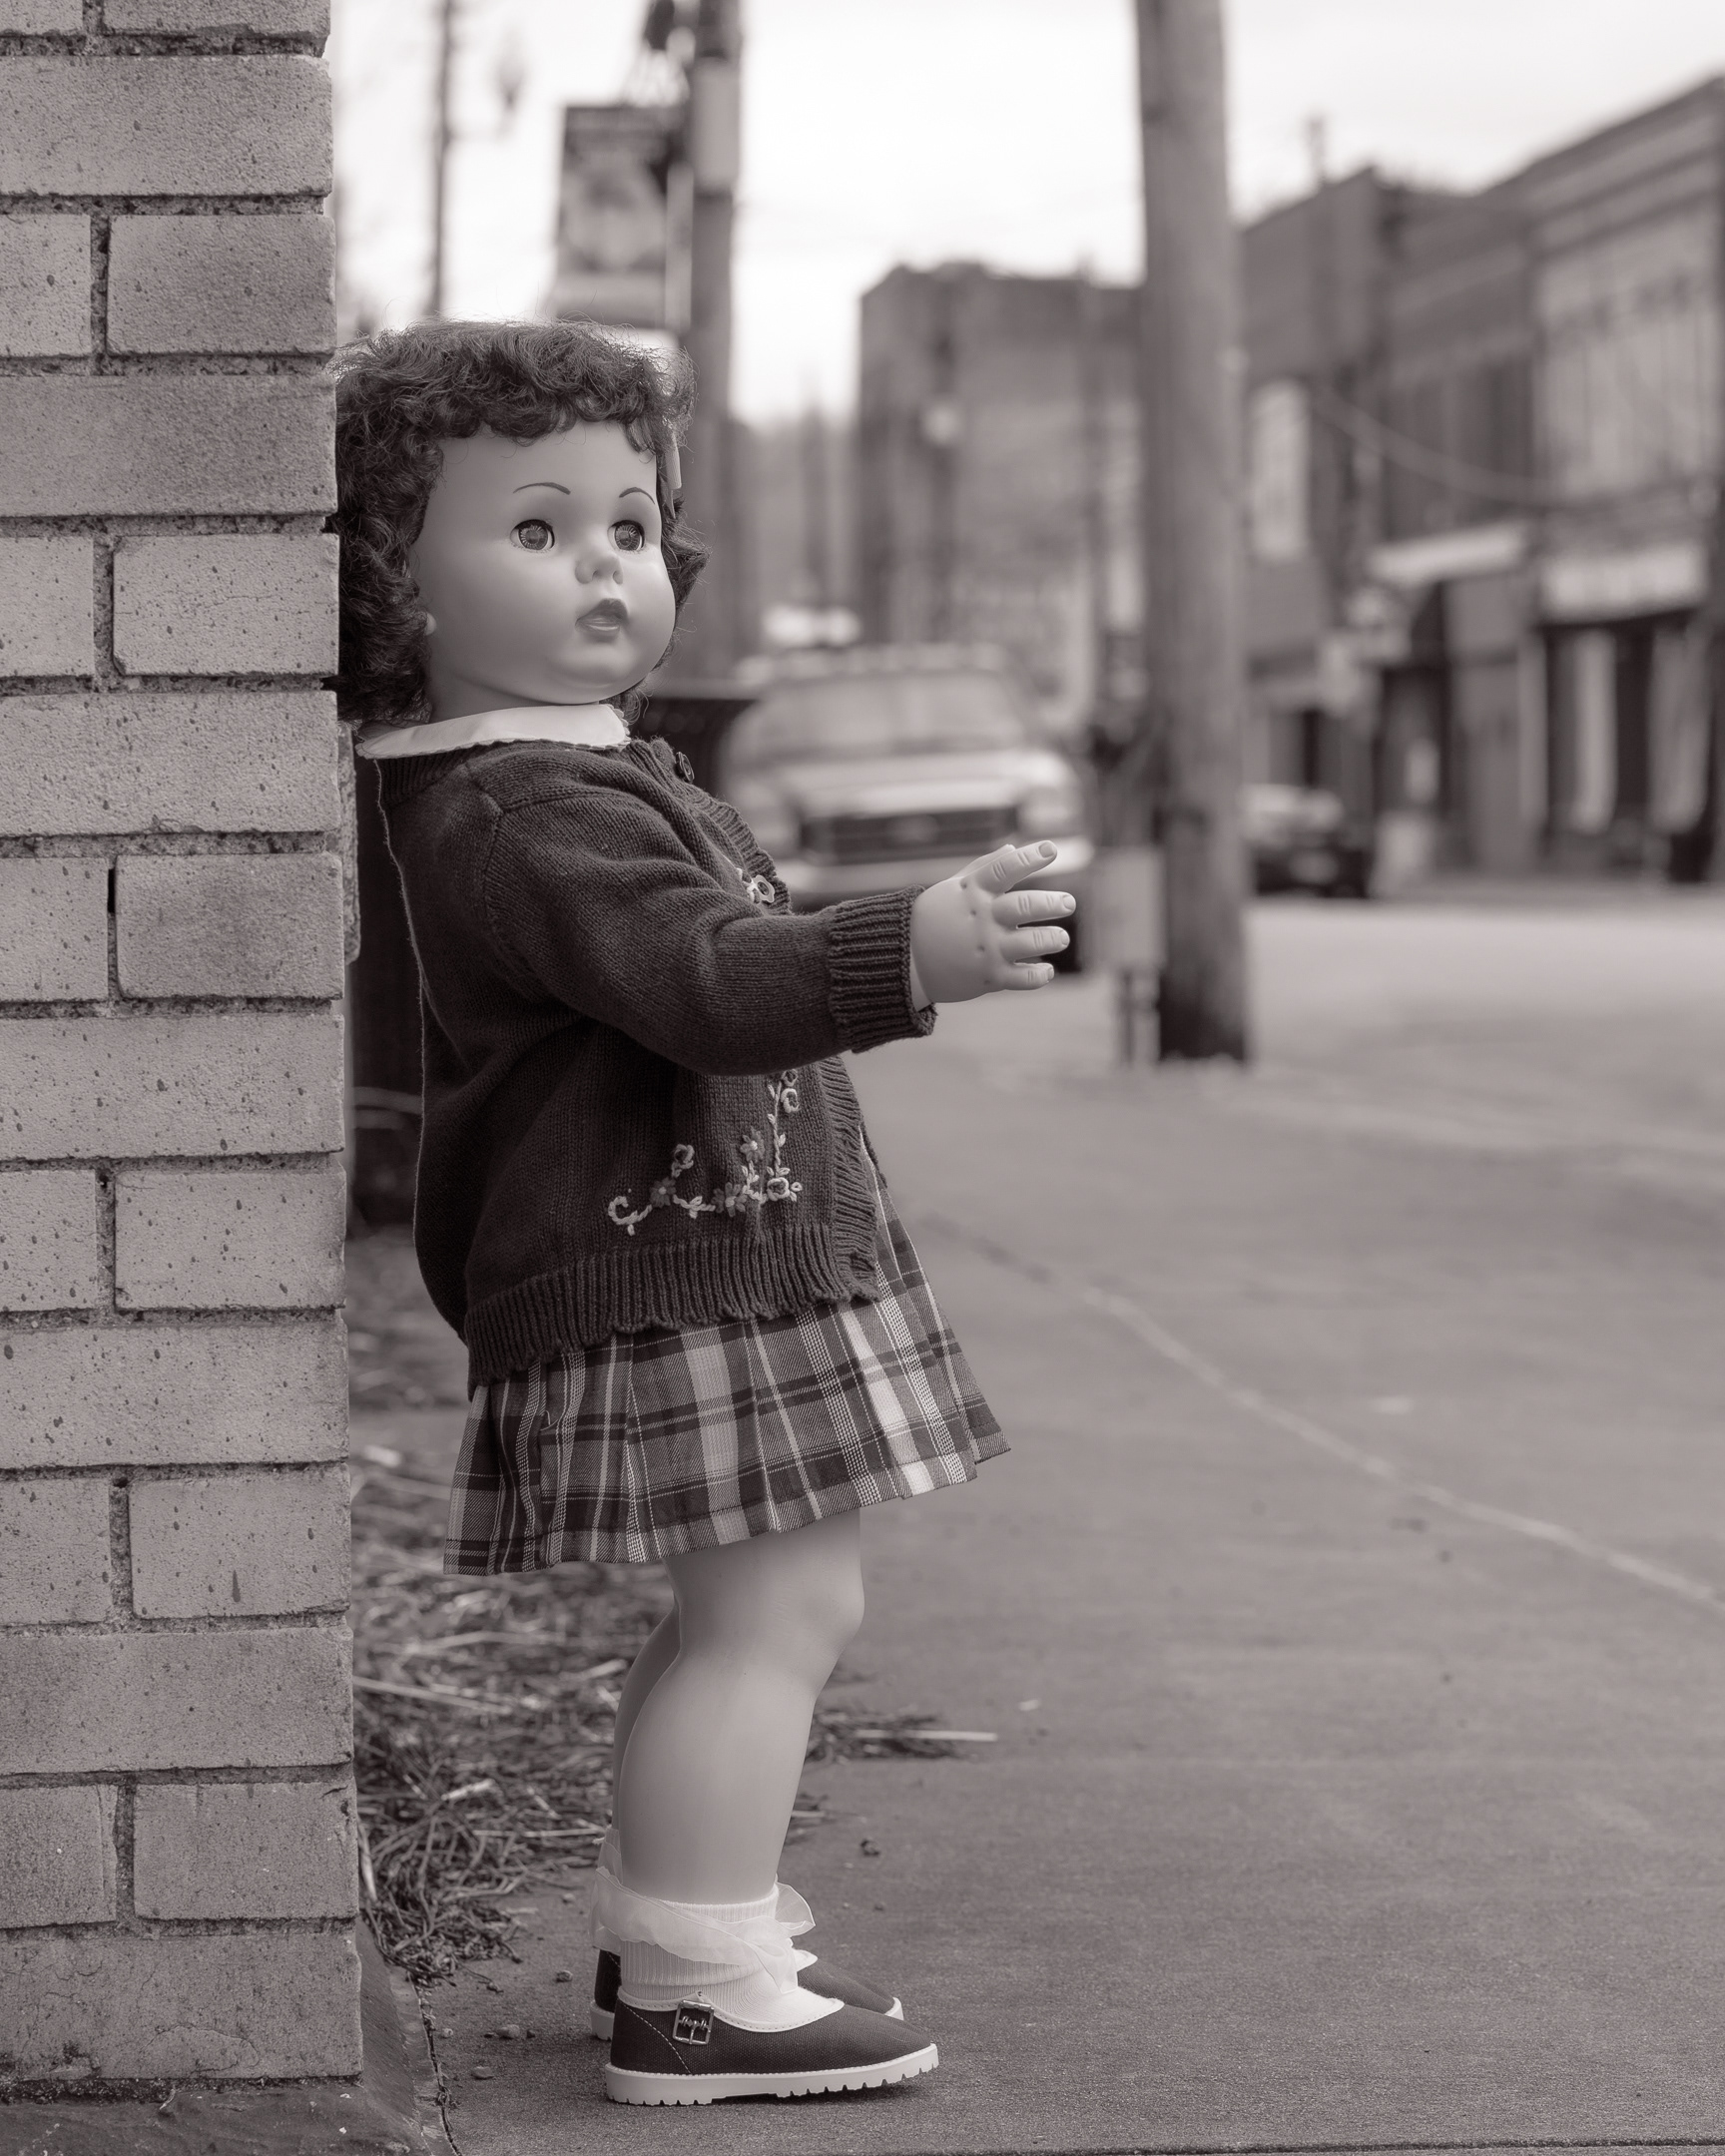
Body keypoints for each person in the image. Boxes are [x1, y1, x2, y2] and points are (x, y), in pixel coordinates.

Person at [333, 319, 1074, 2106]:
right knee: (777, 1621)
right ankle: (695, 1991)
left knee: (746, 1614)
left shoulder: (569, 767)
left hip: (698, 1254)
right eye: (535, 530)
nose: (607, 565)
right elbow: (710, 978)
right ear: (397, 583)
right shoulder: (521, 807)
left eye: (630, 525)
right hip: (672, 1269)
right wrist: (914, 947)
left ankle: (678, 1930)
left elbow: (707, 940)